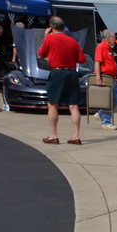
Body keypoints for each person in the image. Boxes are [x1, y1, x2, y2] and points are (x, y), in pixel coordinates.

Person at [38, 17, 85, 145]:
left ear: (52, 28)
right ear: (64, 28)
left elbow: (41, 53)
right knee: (73, 105)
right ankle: (76, 136)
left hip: (57, 72)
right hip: (71, 72)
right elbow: (82, 59)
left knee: (53, 103)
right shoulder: (72, 41)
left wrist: (45, 36)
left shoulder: (49, 38)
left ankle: (53, 135)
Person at [92, 29, 117, 130]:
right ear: (108, 38)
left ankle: (100, 114)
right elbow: (97, 62)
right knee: (110, 99)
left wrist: (115, 77)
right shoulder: (101, 47)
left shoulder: (108, 49)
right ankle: (106, 122)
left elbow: (110, 65)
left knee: (115, 98)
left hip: (111, 78)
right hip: (105, 78)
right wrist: (98, 78)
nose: (115, 40)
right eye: (114, 38)